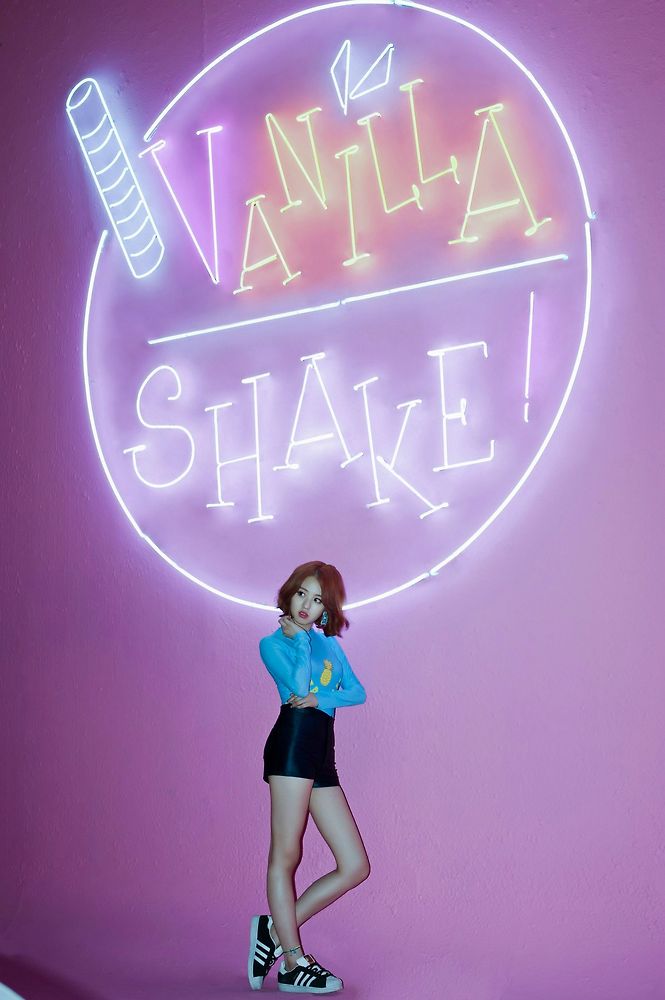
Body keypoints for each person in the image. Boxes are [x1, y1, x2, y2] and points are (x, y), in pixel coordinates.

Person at [247, 561, 370, 994]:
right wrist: (299, 641)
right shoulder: (272, 644)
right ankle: (292, 963)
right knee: (286, 854)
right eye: (302, 593)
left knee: (355, 865)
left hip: (321, 751)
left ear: (325, 609)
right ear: (290, 592)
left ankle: (274, 932)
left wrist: (320, 697)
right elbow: (296, 685)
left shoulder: (329, 645)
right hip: (293, 745)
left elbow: (357, 692)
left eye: (318, 600)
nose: (306, 605)